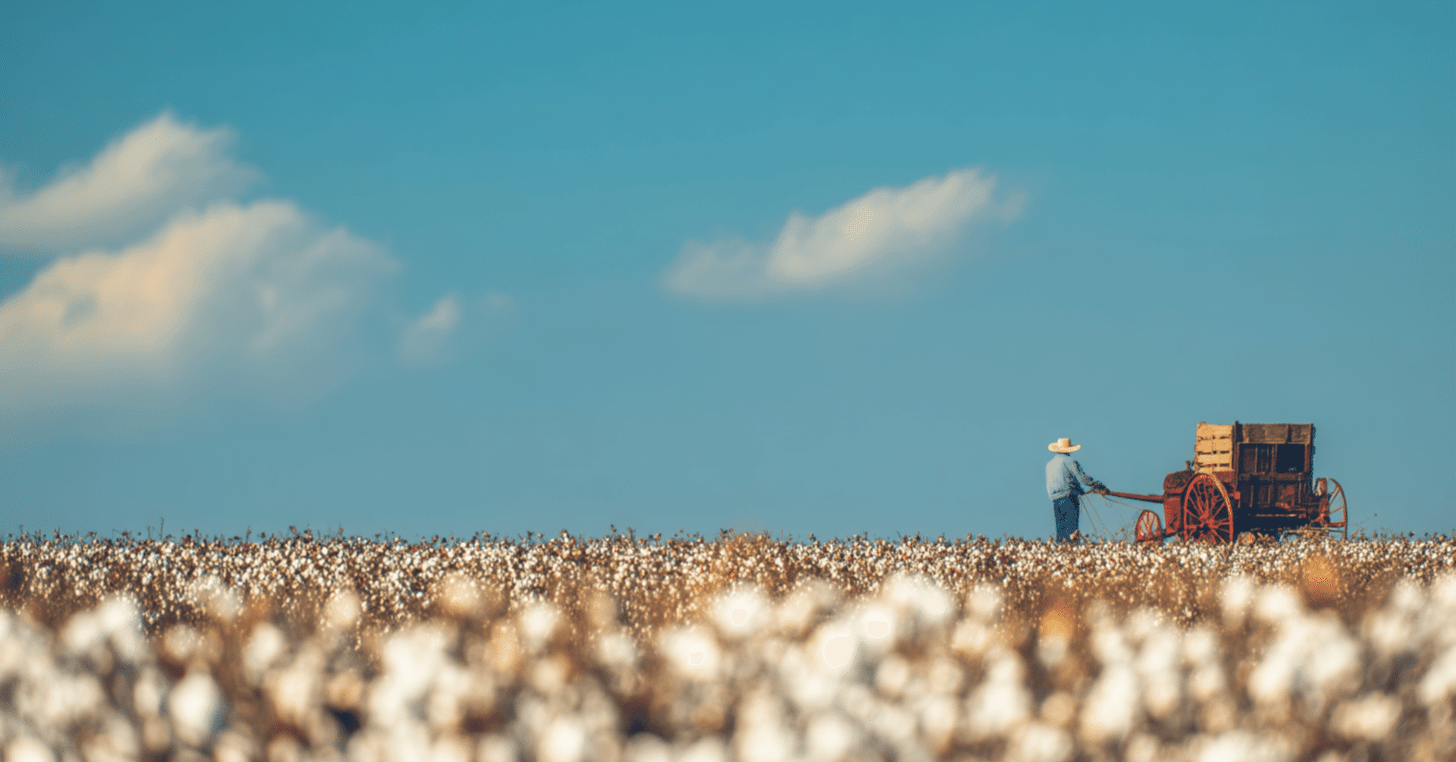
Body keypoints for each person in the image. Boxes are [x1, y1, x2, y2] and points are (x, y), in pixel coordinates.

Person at [1046, 437, 1107, 542]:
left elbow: (1053, 485)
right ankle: (1072, 550)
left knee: (1061, 531)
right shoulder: (1070, 461)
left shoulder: (1049, 465)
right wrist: (1099, 486)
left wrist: (1079, 490)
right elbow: (1084, 479)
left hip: (1056, 500)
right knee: (1072, 530)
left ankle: (1062, 551)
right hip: (1069, 498)